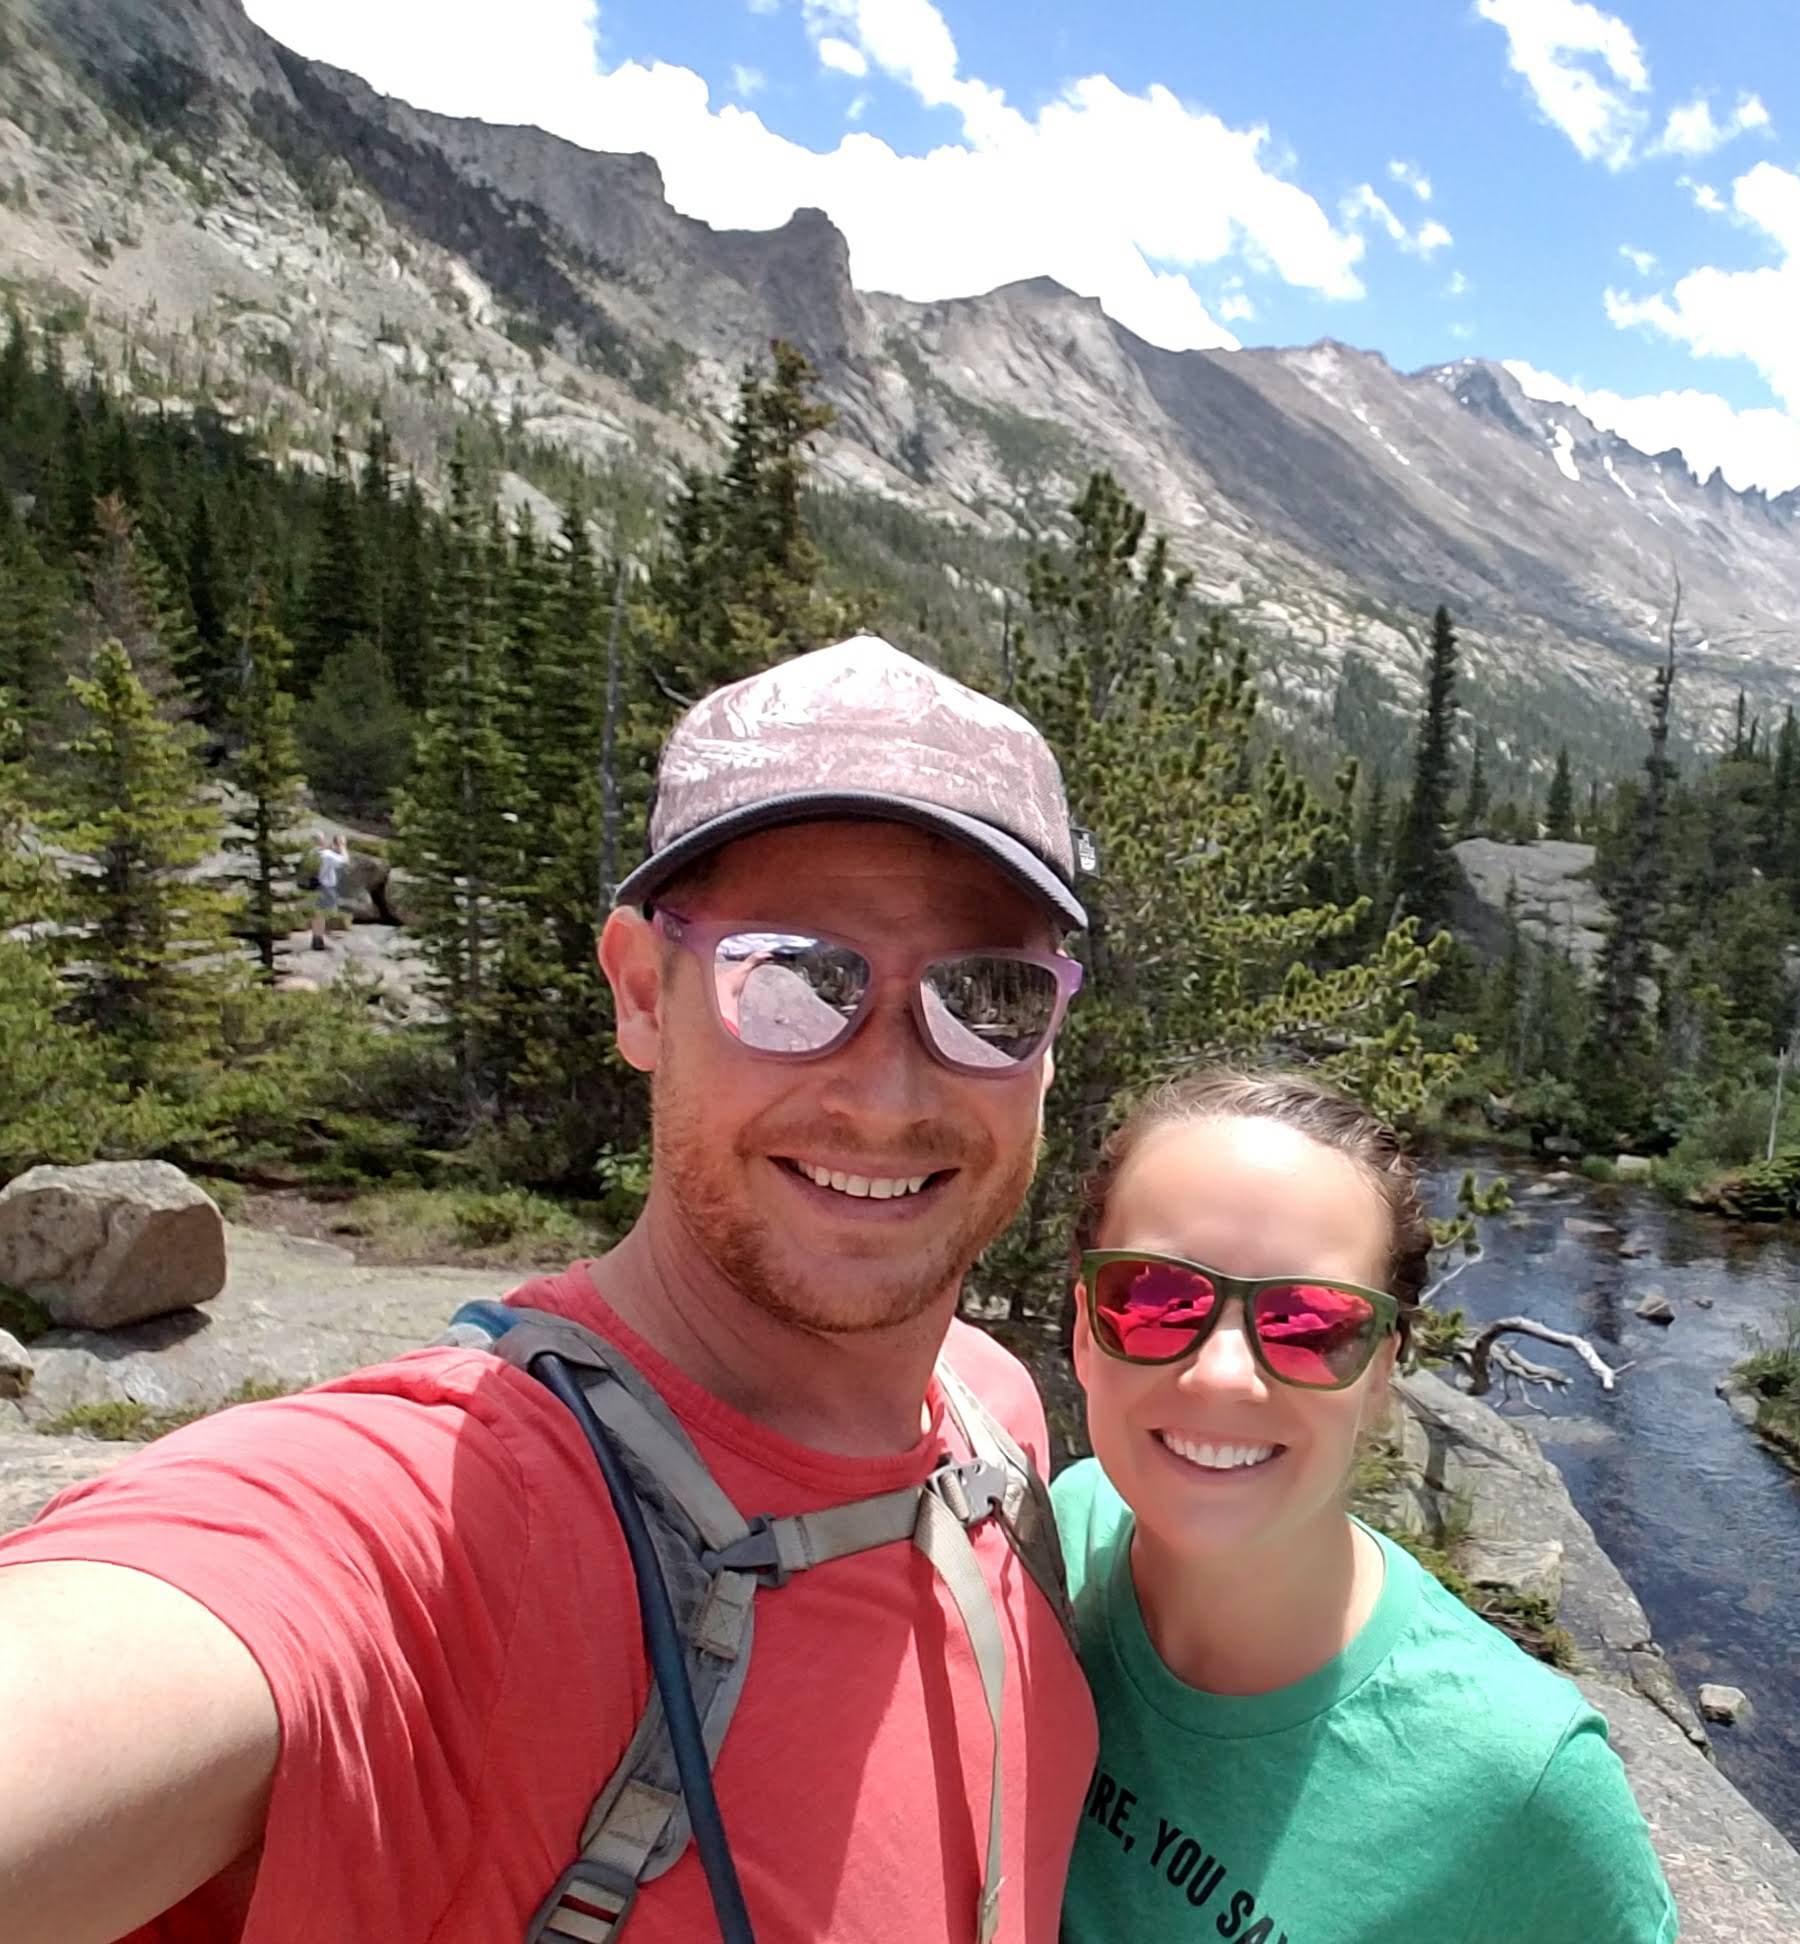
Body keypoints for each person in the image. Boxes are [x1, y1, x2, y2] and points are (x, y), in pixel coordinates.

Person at [0, 636, 1100, 1944]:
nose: (888, 1091)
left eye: (987, 996)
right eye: (795, 978)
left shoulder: (989, 1420)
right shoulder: (441, 1520)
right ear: (644, 993)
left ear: (1049, 1041)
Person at [1053, 1069, 1680, 1943]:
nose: (1223, 1374)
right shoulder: (1059, 1537)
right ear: (1086, 1328)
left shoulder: (1520, 1780)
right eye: (1157, 1300)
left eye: (1309, 1326)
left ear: (1381, 1372)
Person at [310, 832, 347, 950]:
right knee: (324, 913)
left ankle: (317, 937)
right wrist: (342, 846)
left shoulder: (311, 853)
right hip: (325, 887)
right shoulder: (327, 855)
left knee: (317, 913)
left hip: (314, 885)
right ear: (321, 840)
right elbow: (344, 860)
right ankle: (319, 938)